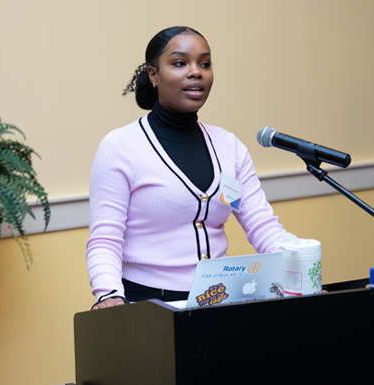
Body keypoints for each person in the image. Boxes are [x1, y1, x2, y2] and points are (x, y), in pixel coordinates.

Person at [87, 26, 287, 310]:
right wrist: (109, 294)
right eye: (180, 63)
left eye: (204, 64)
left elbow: (261, 226)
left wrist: (299, 272)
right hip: (148, 306)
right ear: (153, 74)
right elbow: (105, 239)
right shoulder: (120, 147)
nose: (196, 72)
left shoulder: (229, 147)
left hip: (221, 302)